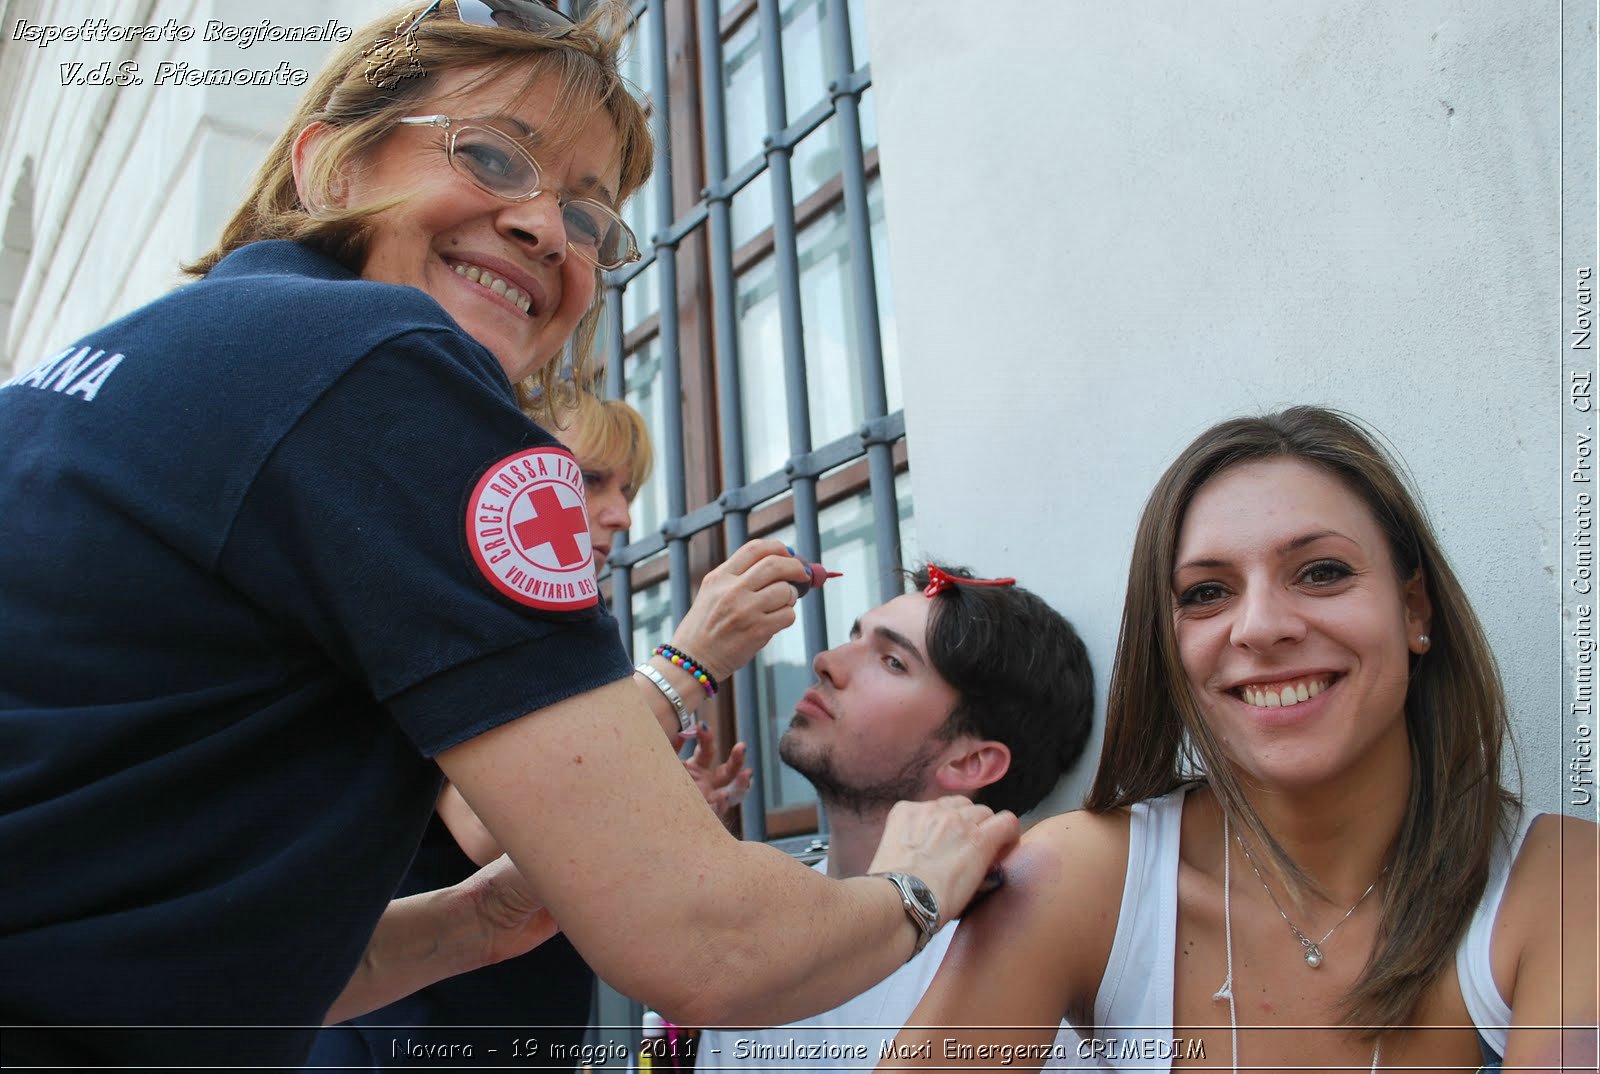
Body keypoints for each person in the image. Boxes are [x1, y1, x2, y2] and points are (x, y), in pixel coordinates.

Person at [0, 3, 1015, 1067]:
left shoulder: (156, 351)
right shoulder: (382, 362)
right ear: (328, 167)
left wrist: (469, 924)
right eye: (490, 153)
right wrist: (918, 884)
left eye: (588, 219)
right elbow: (708, 941)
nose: (543, 229)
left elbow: (131, 946)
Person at [882, 407, 1598, 1073]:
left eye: (1322, 573)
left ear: (1414, 610)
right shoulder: (1079, 878)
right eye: (1206, 592)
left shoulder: (1563, 888)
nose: (1260, 626)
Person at [312, 391, 757, 1068]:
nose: (621, 514)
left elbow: (566, 847)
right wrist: (686, 668)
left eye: (629, 487)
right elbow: (489, 824)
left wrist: (664, 806)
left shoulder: (558, 628)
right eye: (591, 478)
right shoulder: (446, 606)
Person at [696, 564, 1096, 1071]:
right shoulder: (763, 924)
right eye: (853, 637)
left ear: (969, 762)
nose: (826, 661)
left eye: (891, 661)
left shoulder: (1009, 963)